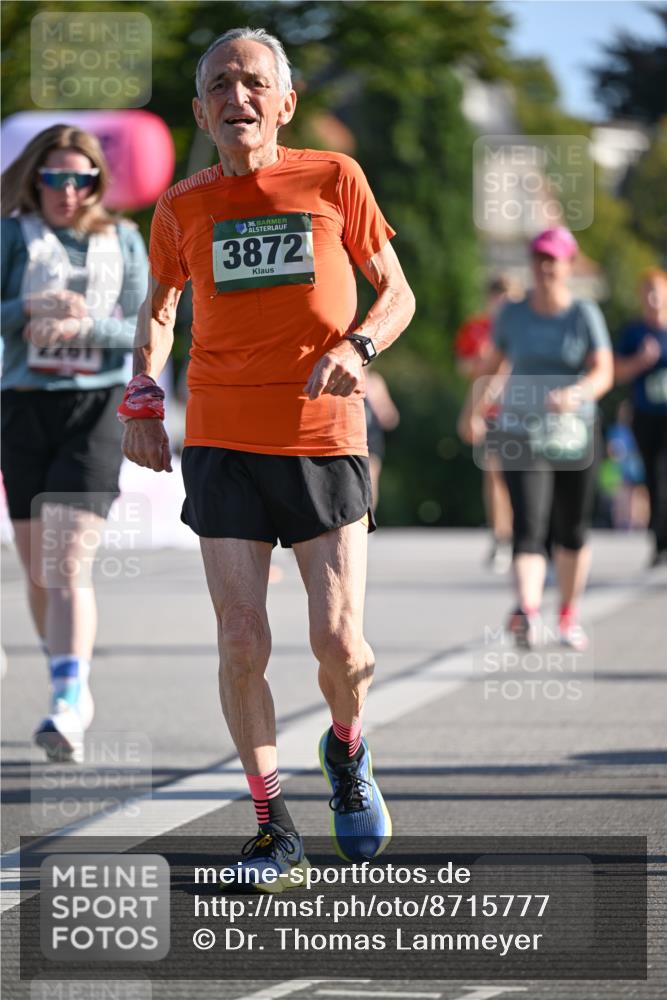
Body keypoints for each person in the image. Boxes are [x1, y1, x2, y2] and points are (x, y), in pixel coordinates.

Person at [120, 27, 415, 885]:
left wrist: (357, 349)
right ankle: (268, 824)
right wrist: (143, 394)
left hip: (323, 434)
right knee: (242, 637)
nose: (235, 97)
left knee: (341, 645)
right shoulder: (180, 205)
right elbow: (162, 308)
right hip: (220, 435)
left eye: (252, 83)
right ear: (200, 110)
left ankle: (347, 750)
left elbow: (395, 291)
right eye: (219, 85)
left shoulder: (333, 179)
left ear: (282, 103)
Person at [1, 125, 149, 762]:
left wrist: (87, 322)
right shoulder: (12, 234)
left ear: (98, 182)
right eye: (55, 178)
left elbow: (150, 325)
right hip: (24, 404)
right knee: (39, 567)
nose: (68, 191)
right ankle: (67, 669)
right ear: (35, 178)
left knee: (64, 560)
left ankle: (68, 700)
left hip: (95, 408)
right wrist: (27, 313)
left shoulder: (125, 237)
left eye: (81, 178)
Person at [459, 227, 613, 650]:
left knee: (573, 531)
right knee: (528, 527)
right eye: (539, 259)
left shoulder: (584, 314)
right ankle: (528, 610)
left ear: (568, 265)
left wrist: (577, 393)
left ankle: (566, 614)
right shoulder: (513, 313)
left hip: (574, 434)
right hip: (519, 429)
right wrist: (470, 411)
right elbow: (491, 365)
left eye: (553, 260)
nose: (545, 267)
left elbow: (604, 371)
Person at [455, 277, 514, 572]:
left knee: (521, 476)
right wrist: (480, 363)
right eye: (497, 296)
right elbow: (462, 366)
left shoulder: (523, 326)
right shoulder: (476, 328)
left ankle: (525, 535)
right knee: (494, 476)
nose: (501, 302)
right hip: (488, 411)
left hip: (520, 411)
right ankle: (500, 538)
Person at [615, 268, 667, 566]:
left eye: (657, 291)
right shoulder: (635, 333)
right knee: (654, 476)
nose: (652, 298)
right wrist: (640, 361)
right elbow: (617, 372)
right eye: (647, 291)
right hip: (646, 415)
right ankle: (660, 541)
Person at [364, 370, 400, 511]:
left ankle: (368, 518)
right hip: (348, 438)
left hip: (371, 438)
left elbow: (391, 416)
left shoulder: (374, 381)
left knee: (371, 479)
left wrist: (383, 412)